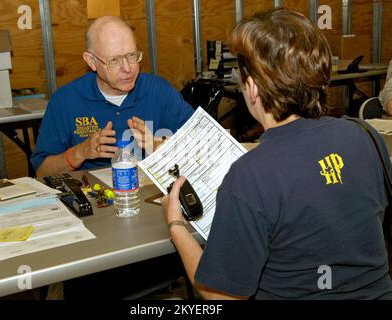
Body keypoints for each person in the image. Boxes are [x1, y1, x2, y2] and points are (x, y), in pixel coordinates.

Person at [162, 8, 392, 299]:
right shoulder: (366, 136)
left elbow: (221, 295)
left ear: (253, 88)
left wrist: (176, 224)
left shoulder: (250, 173)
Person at [31, 16, 194, 177]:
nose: (127, 68)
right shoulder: (66, 100)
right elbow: (42, 172)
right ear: (91, 61)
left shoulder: (159, 91)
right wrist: (79, 153)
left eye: (132, 56)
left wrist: (160, 147)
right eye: (114, 60)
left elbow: (208, 145)